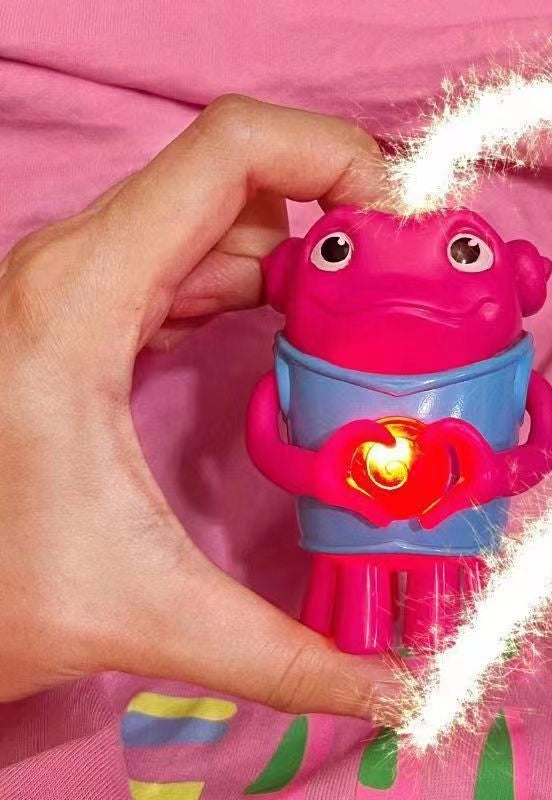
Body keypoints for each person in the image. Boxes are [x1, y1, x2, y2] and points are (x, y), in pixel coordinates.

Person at [0, 95, 404, 723]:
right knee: (348, 584)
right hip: (342, 523)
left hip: (445, 514)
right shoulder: (298, 373)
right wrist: (314, 470)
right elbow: (272, 437)